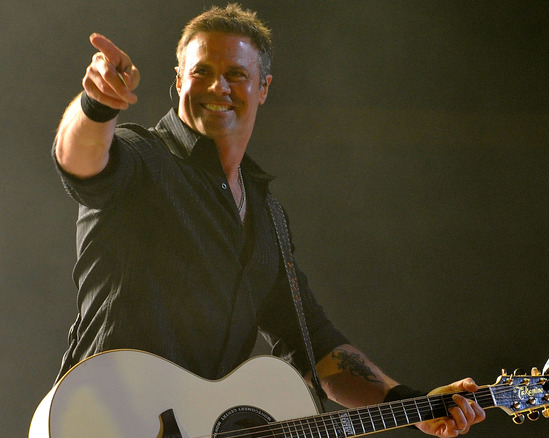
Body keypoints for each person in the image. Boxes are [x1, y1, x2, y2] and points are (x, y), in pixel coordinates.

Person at [52, 4, 484, 436]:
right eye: (201, 72)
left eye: (236, 74)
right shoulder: (143, 156)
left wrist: (410, 403)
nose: (218, 86)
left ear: (263, 87)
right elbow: (80, 162)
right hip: (107, 421)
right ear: (179, 79)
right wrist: (96, 106)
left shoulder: (266, 214)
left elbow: (313, 343)